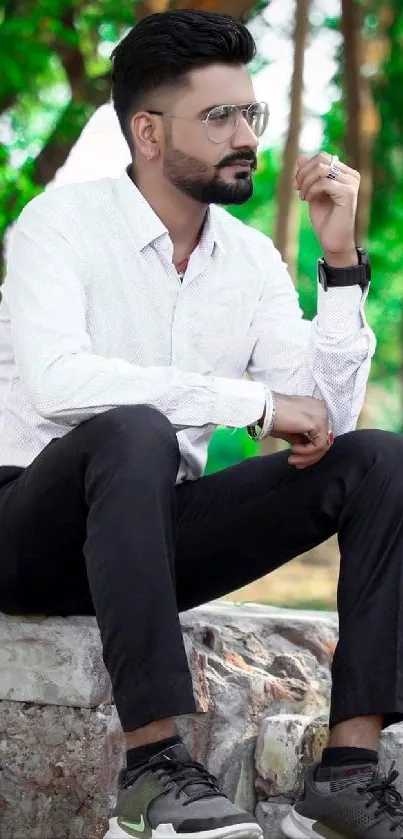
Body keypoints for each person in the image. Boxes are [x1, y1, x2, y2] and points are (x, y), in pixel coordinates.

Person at [1, 9, 403, 839]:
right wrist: (247, 403)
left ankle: (350, 773)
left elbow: (323, 416)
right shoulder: (60, 225)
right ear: (147, 132)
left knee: (379, 460)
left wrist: (338, 265)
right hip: (27, 534)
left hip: (148, 541)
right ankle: (154, 772)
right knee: (134, 428)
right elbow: (56, 380)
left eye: (249, 113)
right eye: (217, 116)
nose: (245, 135)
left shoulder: (248, 256)